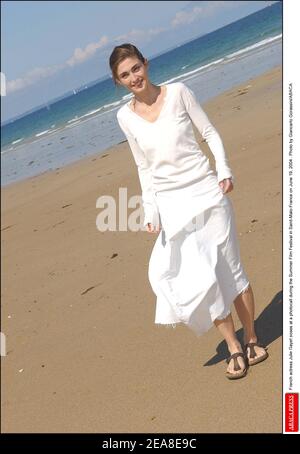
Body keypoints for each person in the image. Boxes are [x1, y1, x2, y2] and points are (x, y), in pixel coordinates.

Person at [109, 43, 269, 380]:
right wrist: (150, 210)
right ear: (118, 81)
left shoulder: (179, 92)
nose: (134, 77)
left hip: (208, 194)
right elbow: (143, 167)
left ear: (146, 64)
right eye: (125, 75)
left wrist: (224, 170)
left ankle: (252, 337)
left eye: (136, 68)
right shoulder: (124, 117)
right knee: (201, 280)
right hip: (173, 207)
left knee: (231, 270)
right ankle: (233, 346)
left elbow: (209, 132)